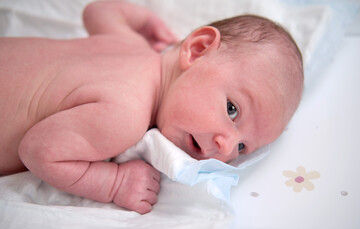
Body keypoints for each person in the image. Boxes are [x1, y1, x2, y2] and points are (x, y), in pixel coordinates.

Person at [0, 0, 303, 214]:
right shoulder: (124, 114)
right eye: (233, 110)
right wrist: (114, 183)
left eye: (242, 147)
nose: (225, 149)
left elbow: (98, 10)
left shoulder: (129, 42)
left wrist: (143, 22)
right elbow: (39, 151)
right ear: (197, 51)